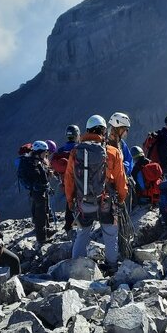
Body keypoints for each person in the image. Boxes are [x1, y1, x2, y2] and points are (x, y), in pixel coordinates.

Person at [65, 115, 128, 272]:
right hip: (107, 201)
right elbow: (121, 179)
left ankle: (76, 268)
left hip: (83, 202)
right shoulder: (113, 152)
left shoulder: (75, 152)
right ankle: (112, 267)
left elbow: (69, 179)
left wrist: (71, 201)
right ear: (104, 131)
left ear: (87, 131)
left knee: (82, 234)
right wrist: (121, 198)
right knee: (110, 234)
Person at [19, 140, 54, 243]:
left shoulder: (36, 161)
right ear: (39, 152)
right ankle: (42, 238)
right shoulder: (32, 163)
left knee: (44, 212)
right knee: (41, 215)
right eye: (44, 152)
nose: (46, 154)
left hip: (40, 190)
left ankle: (46, 232)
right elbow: (36, 178)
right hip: (38, 192)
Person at [51, 125, 80, 234]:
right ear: (77, 135)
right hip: (78, 181)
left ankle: (68, 225)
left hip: (65, 182)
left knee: (69, 202)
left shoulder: (61, 151)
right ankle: (79, 224)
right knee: (79, 202)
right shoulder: (79, 149)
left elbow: (55, 167)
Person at [108, 112, 133, 176]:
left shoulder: (121, 144)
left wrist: (124, 167)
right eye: (126, 129)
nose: (126, 132)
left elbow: (129, 161)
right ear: (118, 129)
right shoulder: (104, 143)